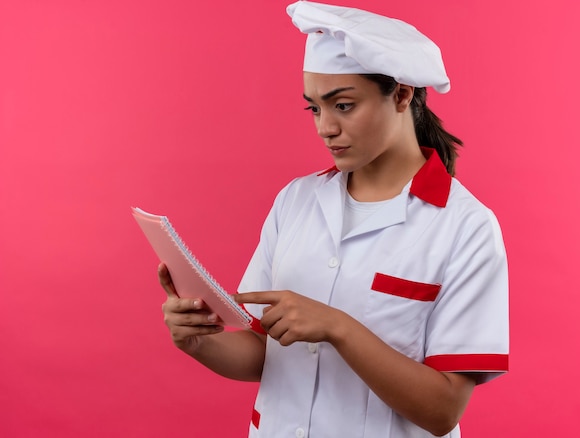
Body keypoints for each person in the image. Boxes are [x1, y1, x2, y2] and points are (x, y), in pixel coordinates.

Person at [158, 2, 509, 437]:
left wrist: (338, 327)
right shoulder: (296, 201)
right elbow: (260, 351)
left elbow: (443, 411)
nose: (325, 127)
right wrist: (199, 342)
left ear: (402, 94)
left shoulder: (466, 228)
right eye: (315, 109)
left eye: (342, 105)